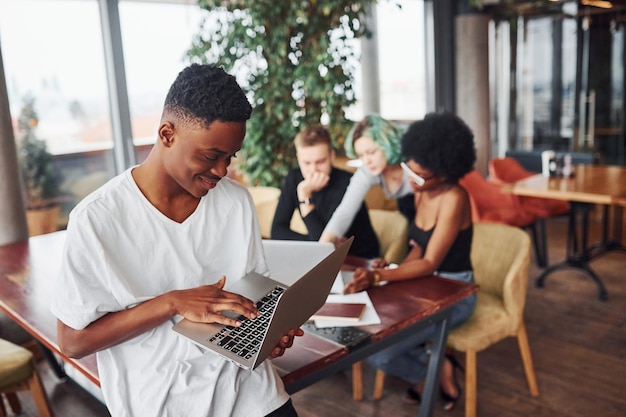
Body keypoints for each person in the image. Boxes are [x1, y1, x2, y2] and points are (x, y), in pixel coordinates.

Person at [51, 64, 302, 417]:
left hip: (252, 393)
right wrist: (171, 303)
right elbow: (73, 341)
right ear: (167, 134)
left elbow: (250, 296)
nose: (221, 170)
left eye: (230, 157)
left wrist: (269, 331)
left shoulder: (235, 201)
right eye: (211, 155)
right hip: (163, 403)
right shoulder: (97, 219)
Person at [344, 112, 477, 411]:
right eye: (409, 171)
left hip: (457, 292)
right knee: (370, 332)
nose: (411, 181)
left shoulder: (455, 197)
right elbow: (419, 248)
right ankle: (435, 365)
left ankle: (430, 370)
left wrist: (382, 277)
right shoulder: (421, 192)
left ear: (444, 172)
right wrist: (394, 267)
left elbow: (430, 261)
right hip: (424, 285)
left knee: (380, 354)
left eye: (419, 176)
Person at [271, 124, 379, 259]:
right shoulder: (294, 179)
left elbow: (324, 245)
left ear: (332, 156)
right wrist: (313, 243)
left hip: (360, 259)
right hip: (327, 258)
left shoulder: (348, 183)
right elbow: (277, 231)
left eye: (320, 162)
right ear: (299, 158)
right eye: (307, 163)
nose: (313, 170)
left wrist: (305, 197)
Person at [319, 114, 415, 246]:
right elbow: (344, 211)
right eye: (361, 155)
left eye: (371, 152)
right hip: (413, 228)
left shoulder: (413, 163)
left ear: (387, 144)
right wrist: (322, 247)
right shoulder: (368, 170)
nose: (366, 160)